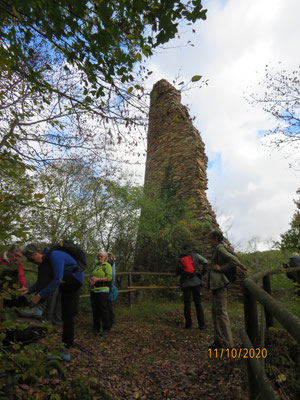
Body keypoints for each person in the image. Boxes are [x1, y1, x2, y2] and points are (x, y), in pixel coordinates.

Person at [19, 243, 84, 361]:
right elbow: (40, 283)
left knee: (67, 316)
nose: (29, 261)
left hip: (74, 282)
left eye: (30, 258)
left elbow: (56, 280)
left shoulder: (55, 256)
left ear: (38, 252)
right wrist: (28, 289)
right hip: (65, 281)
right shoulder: (43, 262)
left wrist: (38, 296)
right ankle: (37, 310)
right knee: (64, 312)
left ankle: (65, 351)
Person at [208, 230, 240, 349]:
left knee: (221, 313)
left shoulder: (220, 249)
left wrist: (221, 268)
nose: (209, 242)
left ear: (216, 239)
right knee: (215, 313)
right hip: (216, 286)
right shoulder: (217, 249)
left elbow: (235, 261)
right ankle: (219, 341)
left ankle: (229, 345)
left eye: (210, 239)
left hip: (220, 285)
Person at [176, 245, 208, 330]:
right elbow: (205, 261)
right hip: (196, 282)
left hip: (185, 284)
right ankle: (201, 325)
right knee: (198, 303)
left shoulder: (181, 258)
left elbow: (177, 272)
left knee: (187, 304)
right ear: (191, 249)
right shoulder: (196, 256)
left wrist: (183, 273)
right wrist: (202, 273)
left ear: (184, 250)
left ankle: (188, 325)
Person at [89, 251, 112, 337]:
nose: (99, 258)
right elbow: (93, 276)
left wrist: (98, 279)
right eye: (98, 256)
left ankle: (106, 329)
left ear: (105, 258)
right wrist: (91, 280)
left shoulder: (107, 265)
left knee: (103, 310)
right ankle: (96, 328)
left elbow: (109, 278)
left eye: (101, 256)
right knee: (95, 310)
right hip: (94, 290)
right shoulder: (96, 266)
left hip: (103, 290)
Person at [107, 252, 116, 327]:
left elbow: (113, 275)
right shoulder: (111, 262)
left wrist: (111, 286)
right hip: (108, 285)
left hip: (108, 285)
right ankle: (111, 320)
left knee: (107, 303)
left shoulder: (111, 263)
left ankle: (111, 320)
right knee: (108, 303)